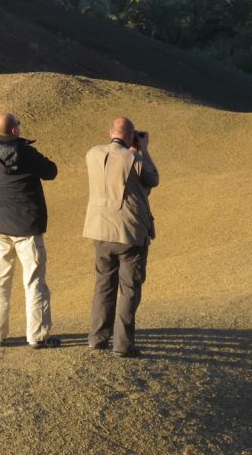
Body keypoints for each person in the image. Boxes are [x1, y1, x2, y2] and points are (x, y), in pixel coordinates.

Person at [0, 85, 61, 349]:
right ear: (16, 131)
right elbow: (51, 171)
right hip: (27, 229)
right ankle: (38, 336)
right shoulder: (26, 154)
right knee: (34, 282)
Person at [83, 117, 160, 358]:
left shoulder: (92, 154)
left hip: (100, 230)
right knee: (129, 289)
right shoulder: (134, 159)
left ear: (110, 132)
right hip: (129, 233)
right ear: (130, 136)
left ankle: (97, 338)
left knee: (103, 286)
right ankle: (123, 345)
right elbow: (153, 179)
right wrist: (143, 149)